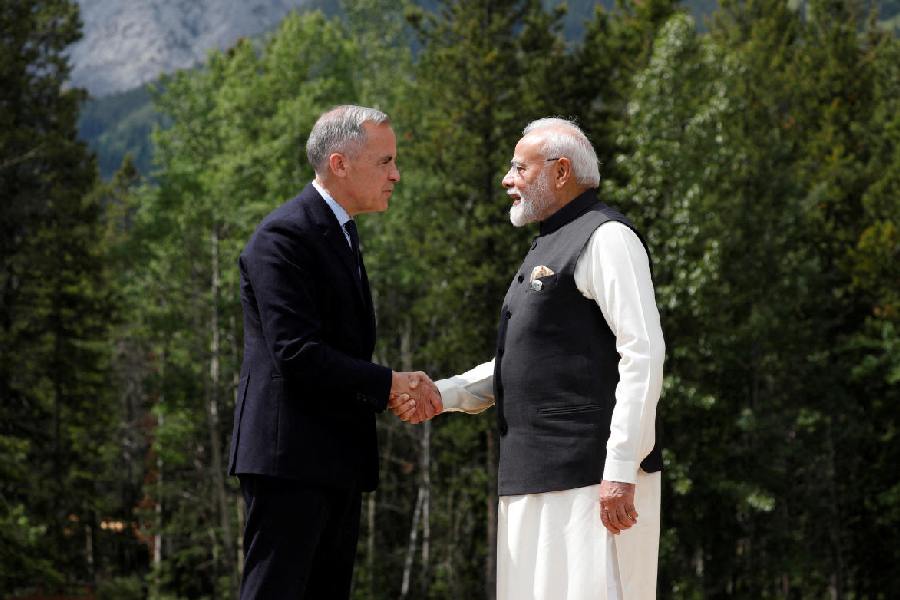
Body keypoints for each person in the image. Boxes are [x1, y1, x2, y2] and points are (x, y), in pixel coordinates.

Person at [428, 118, 665, 599]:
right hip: (532, 479)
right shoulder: (551, 242)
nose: (506, 179)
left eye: (519, 167)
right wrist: (442, 394)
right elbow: (526, 364)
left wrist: (620, 469)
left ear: (560, 172)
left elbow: (643, 352)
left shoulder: (607, 238)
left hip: (590, 483)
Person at [227, 105, 442, 599]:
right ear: (340, 163)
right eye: (385, 161)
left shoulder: (340, 232)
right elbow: (295, 352)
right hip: (290, 460)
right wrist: (389, 384)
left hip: (332, 458)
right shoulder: (283, 236)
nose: (396, 174)